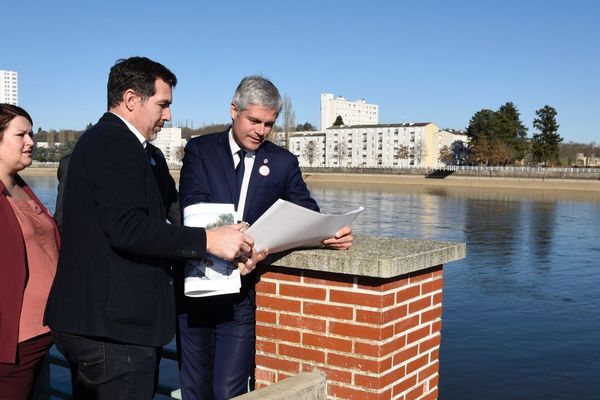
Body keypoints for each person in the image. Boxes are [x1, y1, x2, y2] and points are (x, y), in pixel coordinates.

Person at [44, 57, 262, 400]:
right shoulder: (111, 143)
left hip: (115, 326)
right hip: (112, 331)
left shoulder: (143, 152)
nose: (169, 115)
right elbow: (128, 228)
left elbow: (177, 215)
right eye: (163, 104)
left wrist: (231, 246)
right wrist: (209, 241)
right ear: (132, 99)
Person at [177, 75, 353, 399]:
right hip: (198, 291)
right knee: (194, 390)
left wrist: (331, 233)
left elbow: (307, 214)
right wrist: (237, 236)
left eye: (269, 124)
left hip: (241, 297)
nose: (261, 131)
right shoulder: (200, 150)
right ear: (234, 110)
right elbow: (193, 206)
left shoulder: (284, 162)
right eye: (254, 120)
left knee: (231, 392)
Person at [0, 104, 60, 399]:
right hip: (14, 346)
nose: (31, 142)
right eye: (21, 134)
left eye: (32, 134)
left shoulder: (22, 187)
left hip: (46, 333)